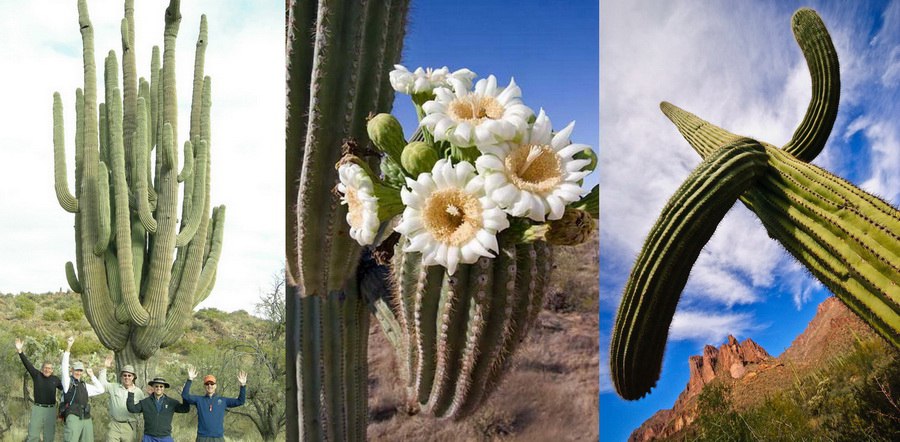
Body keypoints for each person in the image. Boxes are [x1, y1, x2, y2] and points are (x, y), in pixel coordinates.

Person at [15, 338, 63, 442]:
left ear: (52, 370)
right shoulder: (37, 375)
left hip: (51, 410)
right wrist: (20, 351)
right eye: (46, 368)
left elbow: (66, 389)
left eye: (50, 368)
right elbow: (28, 365)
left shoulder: (55, 380)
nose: (47, 370)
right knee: (33, 435)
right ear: (42, 369)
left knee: (49, 436)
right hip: (38, 408)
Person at [181, 366, 248, 441]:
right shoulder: (199, 400)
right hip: (202, 438)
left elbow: (240, 401)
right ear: (204, 386)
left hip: (218, 438)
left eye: (212, 383)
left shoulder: (223, 401)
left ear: (215, 386)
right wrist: (190, 380)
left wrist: (243, 385)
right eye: (207, 384)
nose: (209, 386)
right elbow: (185, 395)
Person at [60, 336, 105, 441]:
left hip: (86, 417)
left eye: (80, 370)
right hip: (73, 416)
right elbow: (63, 366)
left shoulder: (84, 385)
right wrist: (68, 347)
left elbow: (101, 390)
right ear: (72, 370)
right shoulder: (67, 383)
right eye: (76, 370)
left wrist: (92, 376)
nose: (78, 372)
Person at [98, 354, 146, 442]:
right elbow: (102, 384)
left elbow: (143, 408)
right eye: (124, 375)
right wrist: (105, 367)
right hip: (114, 424)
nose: (127, 377)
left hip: (129, 425)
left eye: (129, 375)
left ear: (133, 377)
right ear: (121, 377)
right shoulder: (114, 387)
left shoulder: (138, 392)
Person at [127, 377, 190, 442]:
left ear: (164, 388)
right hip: (149, 438)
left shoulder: (171, 402)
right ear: (153, 387)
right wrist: (130, 393)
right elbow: (132, 409)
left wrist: (184, 395)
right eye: (156, 386)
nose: (158, 388)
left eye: (161, 386)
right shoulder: (145, 402)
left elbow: (185, 409)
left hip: (165, 437)